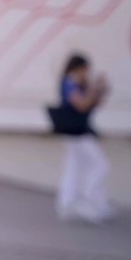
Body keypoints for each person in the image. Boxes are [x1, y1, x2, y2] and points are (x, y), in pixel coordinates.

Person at [50, 53, 114, 223]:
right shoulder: (69, 83)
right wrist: (94, 90)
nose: (86, 74)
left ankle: (68, 202)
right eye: (85, 70)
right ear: (78, 68)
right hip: (77, 132)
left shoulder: (78, 84)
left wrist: (99, 91)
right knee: (100, 165)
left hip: (78, 131)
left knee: (74, 168)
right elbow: (81, 105)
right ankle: (88, 200)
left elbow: (92, 105)